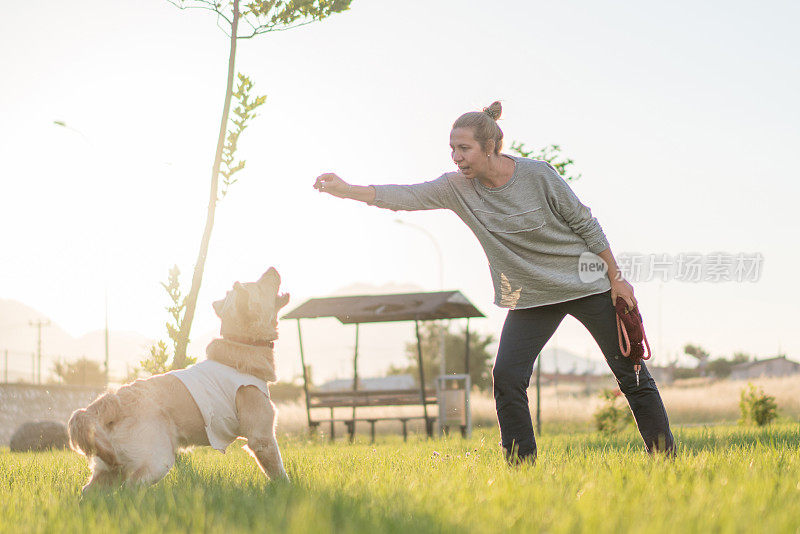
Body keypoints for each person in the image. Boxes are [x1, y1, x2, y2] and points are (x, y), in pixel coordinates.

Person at [313, 101, 674, 461]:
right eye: (452, 149)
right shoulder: (457, 188)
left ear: (490, 147)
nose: (456, 157)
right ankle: (521, 467)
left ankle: (664, 459)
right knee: (506, 377)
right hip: (532, 296)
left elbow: (585, 223)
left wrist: (617, 279)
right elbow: (407, 196)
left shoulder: (538, 175)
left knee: (632, 374)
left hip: (586, 284)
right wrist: (347, 190)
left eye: (464, 148)